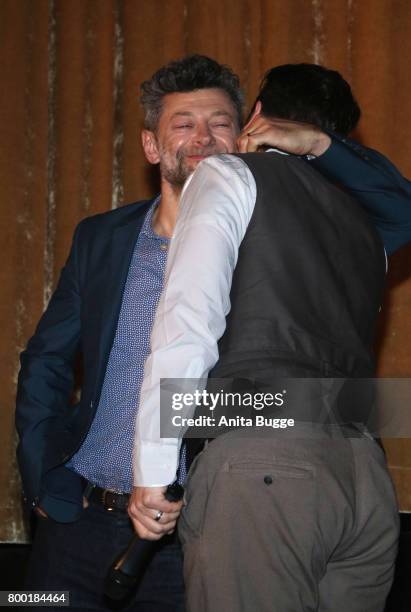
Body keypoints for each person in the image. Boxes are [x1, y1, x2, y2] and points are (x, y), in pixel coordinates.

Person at [16, 56, 409, 610]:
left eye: (220, 122)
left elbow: (198, 341)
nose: (203, 136)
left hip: (206, 523)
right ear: (153, 146)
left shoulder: (287, 231)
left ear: (250, 127)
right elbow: (46, 360)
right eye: (183, 123)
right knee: (29, 604)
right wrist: (43, 482)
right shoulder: (101, 238)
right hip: (79, 521)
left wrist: (317, 142)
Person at [131, 64, 411, 611]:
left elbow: (189, 323)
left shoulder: (228, 174)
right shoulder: (365, 225)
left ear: (255, 118)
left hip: (266, 468)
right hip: (365, 477)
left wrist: (154, 469)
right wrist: (326, 148)